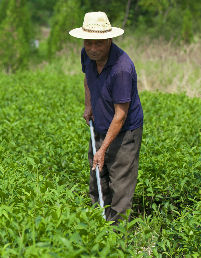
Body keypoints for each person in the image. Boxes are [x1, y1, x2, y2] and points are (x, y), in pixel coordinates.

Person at [70, 12, 144, 224]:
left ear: (109, 40)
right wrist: (89, 105)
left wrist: (102, 150)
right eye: (88, 42)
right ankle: (99, 225)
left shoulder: (122, 69)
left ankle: (118, 239)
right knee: (97, 179)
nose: (93, 48)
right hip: (100, 123)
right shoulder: (88, 55)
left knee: (120, 184)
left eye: (99, 43)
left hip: (124, 131)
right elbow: (88, 77)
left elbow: (120, 115)